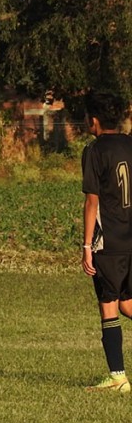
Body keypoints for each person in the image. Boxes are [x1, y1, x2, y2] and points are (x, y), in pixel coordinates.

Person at [81, 90, 132, 393]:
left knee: (109, 305)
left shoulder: (94, 150)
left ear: (95, 120)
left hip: (109, 242)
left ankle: (117, 377)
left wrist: (87, 246)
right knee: (127, 303)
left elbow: (92, 202)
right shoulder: (130, 143)